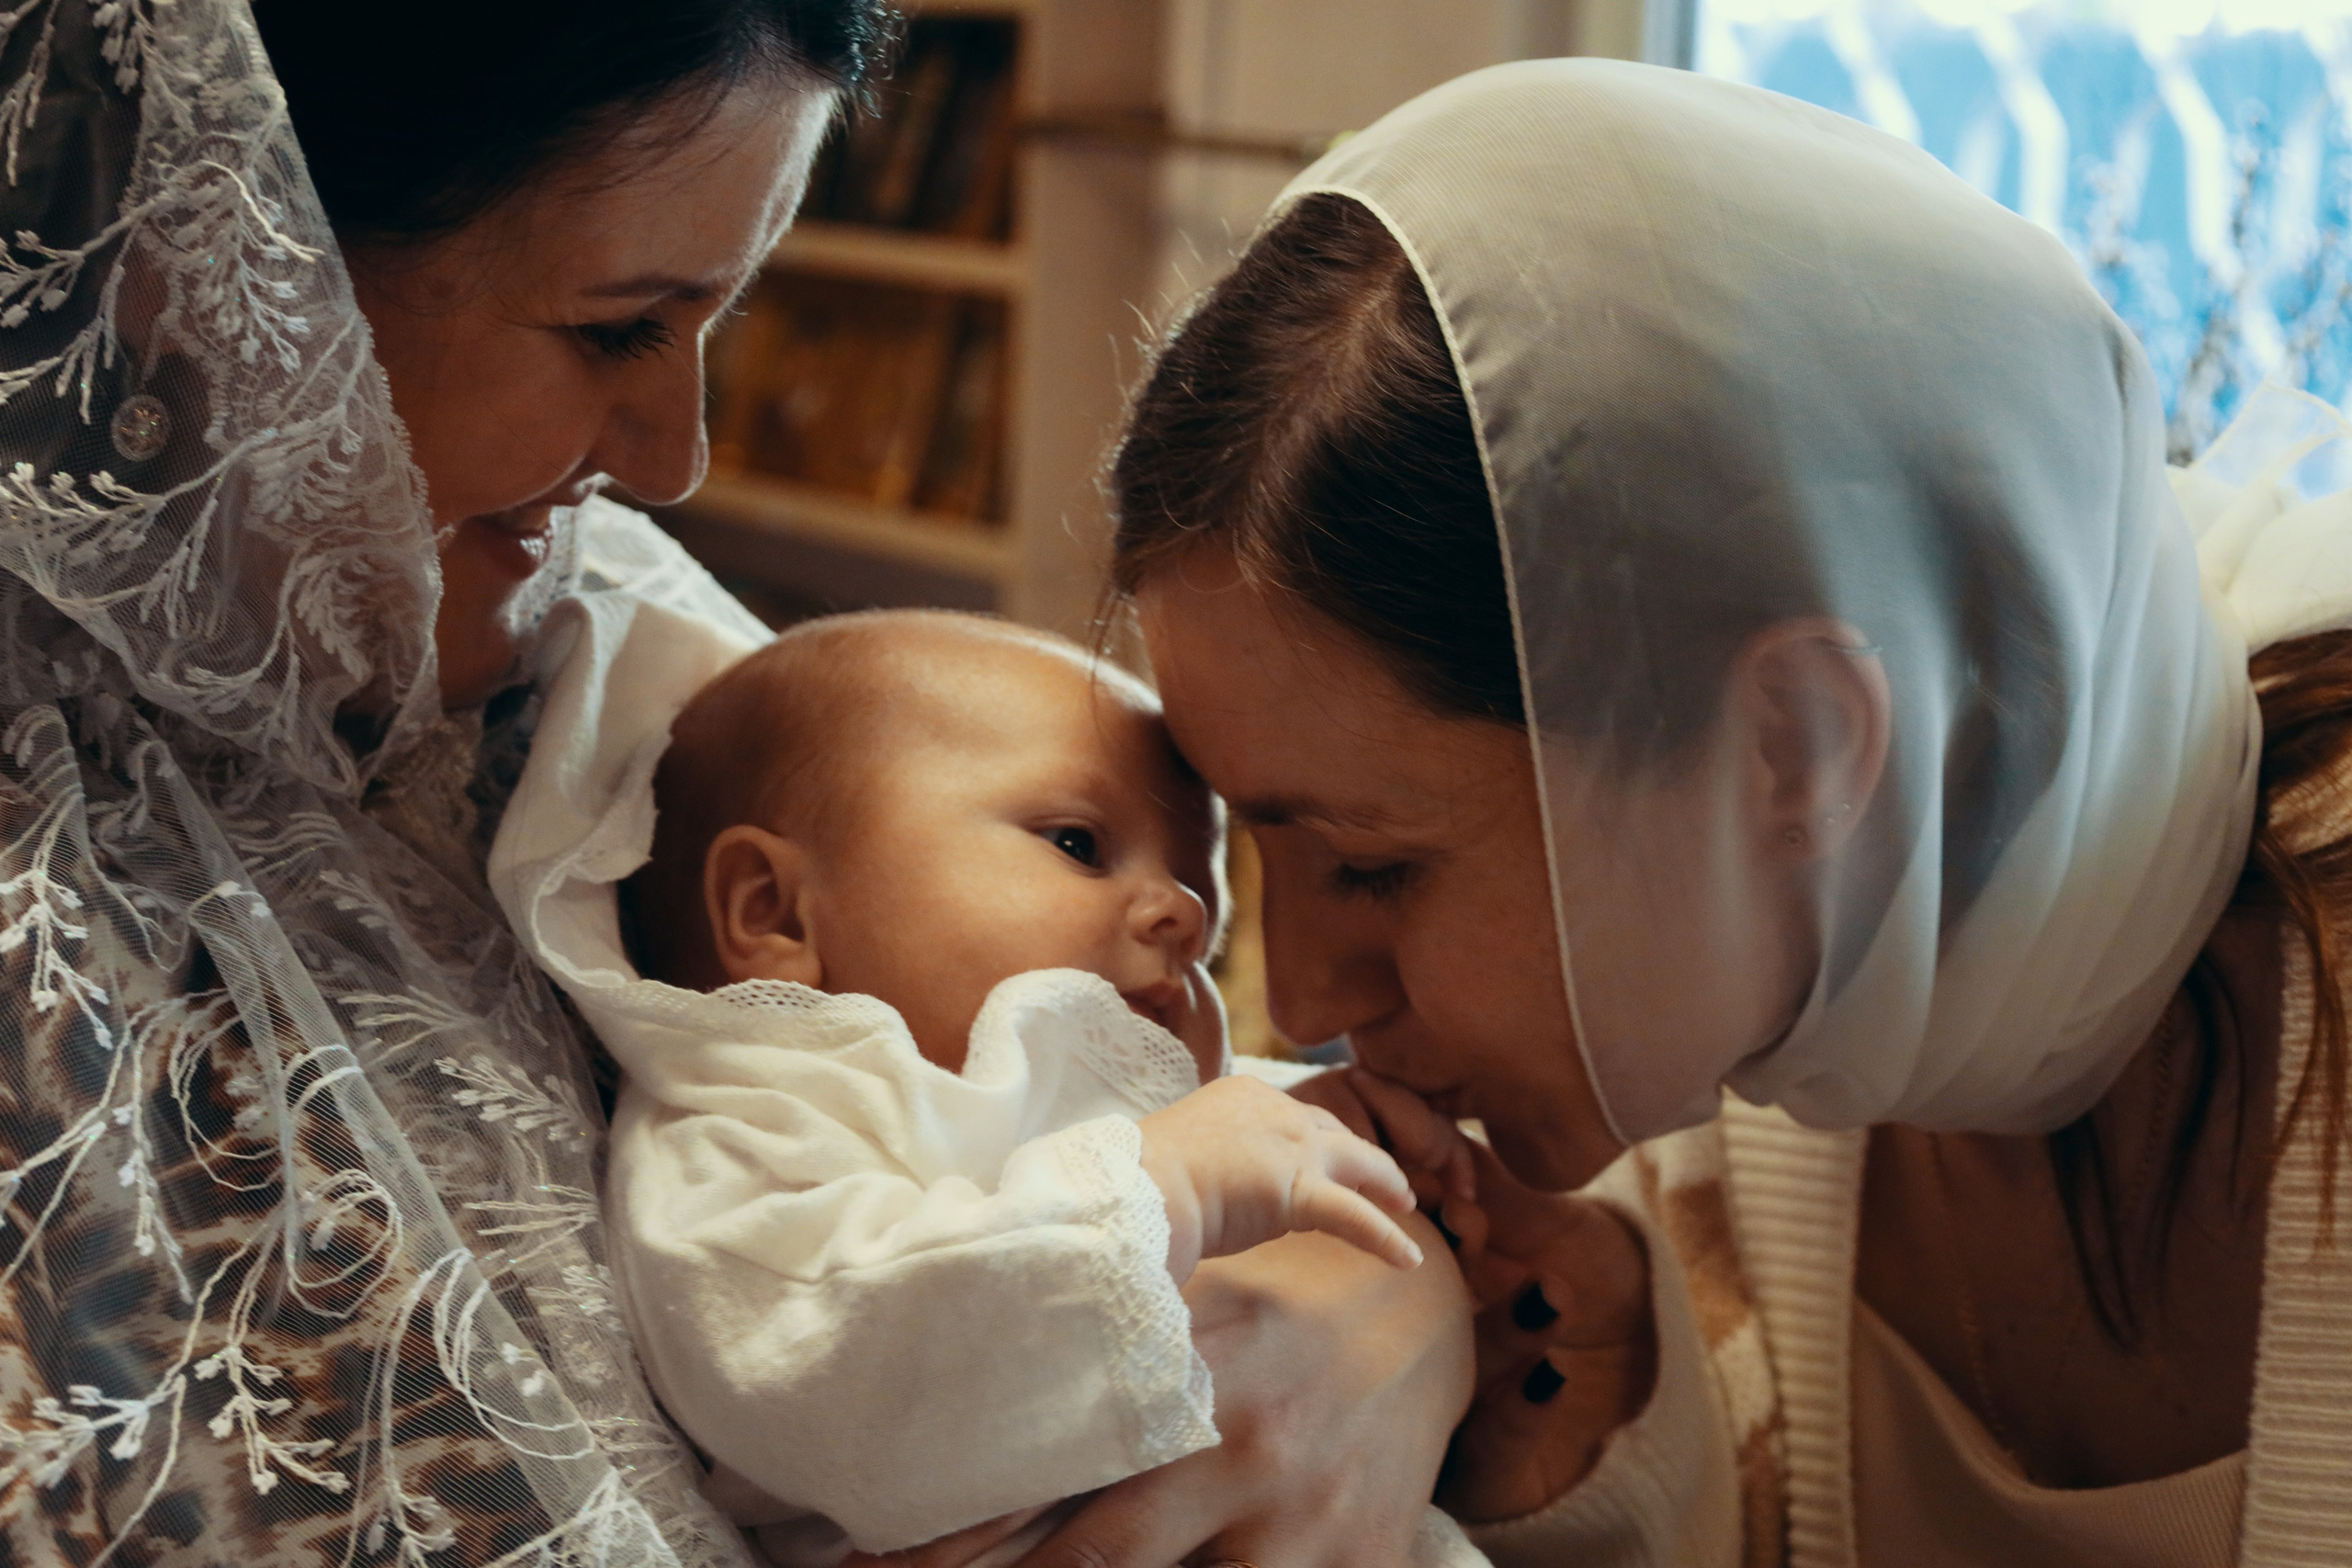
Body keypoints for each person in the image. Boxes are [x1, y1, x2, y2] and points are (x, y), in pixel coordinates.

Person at [0, 5, 1480, 1560]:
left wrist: (1387, 1312)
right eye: (621, 326)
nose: (673, 459)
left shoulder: (602, 650)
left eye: (721, 321)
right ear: (220, 254)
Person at [1078, 56, 2352, 1568]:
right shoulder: (1725, 1005)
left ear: (1801, 755)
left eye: (1372, 865)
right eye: (1254, 851)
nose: (1303, 998)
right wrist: (1578, 1431)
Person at [485, 602, 1469, 1564]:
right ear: (774, 912)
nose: (1180, 915)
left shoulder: (1130, 1106)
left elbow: (1222, 1134)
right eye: (1079, 844)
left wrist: (1340, 1137)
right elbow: (825, 1366)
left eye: (1202, 904)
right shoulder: (754, 1127)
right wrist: (1165, 1186)